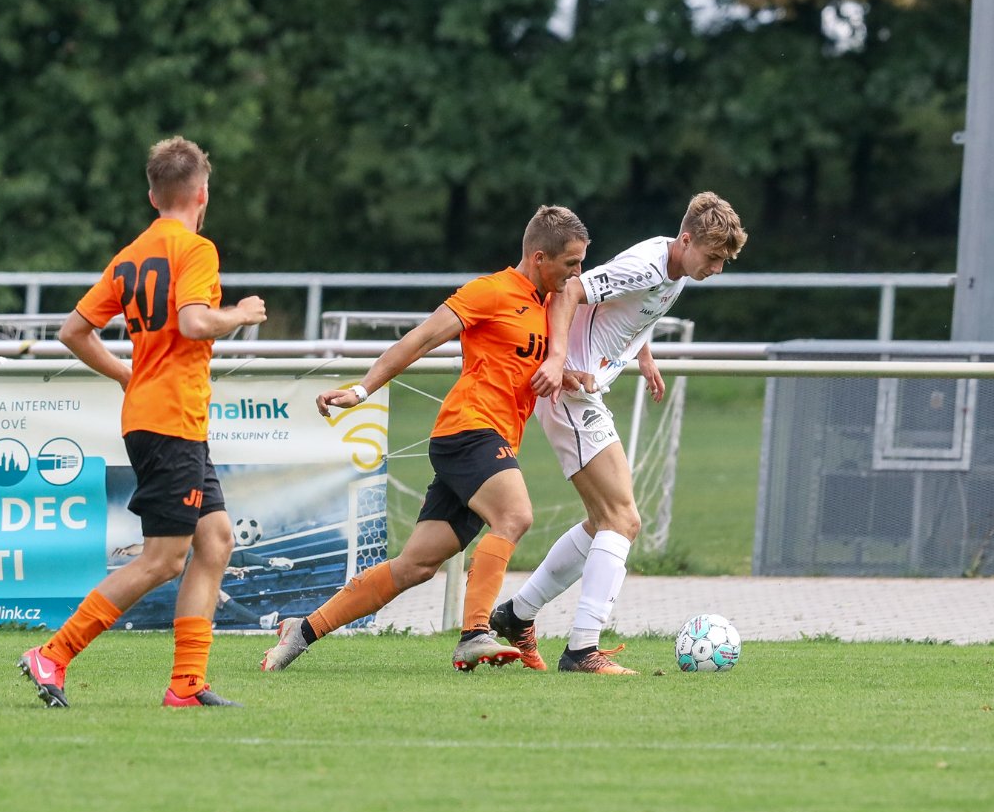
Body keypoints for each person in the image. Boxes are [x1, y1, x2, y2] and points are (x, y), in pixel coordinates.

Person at [259, 206, 591, 673]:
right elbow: (419, 339)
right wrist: (361, 391)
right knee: (514, 515)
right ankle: (475, 634)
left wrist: (568, 374)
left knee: (415, 565)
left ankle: (303, 629)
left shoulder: (547, 305)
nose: (577, 273)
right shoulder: (490, 292)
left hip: (491, 439)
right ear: (539, 258)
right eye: (571, 263)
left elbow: (520, 362)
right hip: (468, 430)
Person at [18, 135, 267, 708]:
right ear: (202, 194)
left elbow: (73, 331)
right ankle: (52, 654)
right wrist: (241, 313)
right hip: (170, 421)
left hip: (163, 418)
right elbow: (195, 323)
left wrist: (126, 375)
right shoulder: (196, 249)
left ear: (153, 196)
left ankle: (187, 684)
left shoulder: (132, 254)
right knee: (163, 560)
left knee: (215, 540)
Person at [489, 192, 747, 674]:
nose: (716, 268)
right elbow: (569, 290)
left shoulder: (674, 268)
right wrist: (558, 361)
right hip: (570, 390)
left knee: (602, 522)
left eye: (723, 261)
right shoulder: (646, 267)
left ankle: (516, 614)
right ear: (685, 240)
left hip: (584, 390)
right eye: (712, 257)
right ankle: (582, 650)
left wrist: (643, 356)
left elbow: (633, 312)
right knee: (623, 520)